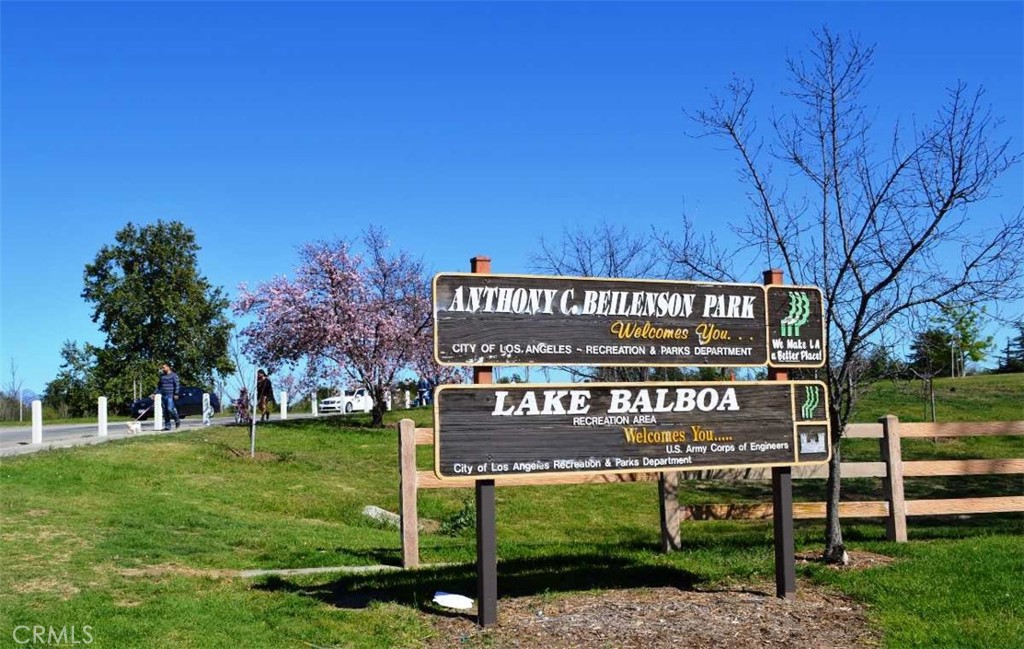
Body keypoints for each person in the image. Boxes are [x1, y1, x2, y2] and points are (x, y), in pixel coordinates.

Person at [156, 363, 181, 431]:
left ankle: (177, 420)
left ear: (168, 367)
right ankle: (168, 426)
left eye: (164, 367)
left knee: (170, 409)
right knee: (165, 411)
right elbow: (159, 386)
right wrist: (156, 393)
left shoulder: (174, 375)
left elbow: (177, 385)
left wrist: (176, 394)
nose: (162, 369)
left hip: (170, 395)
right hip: (163, 395)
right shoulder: (162, 376)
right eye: (162, 368)